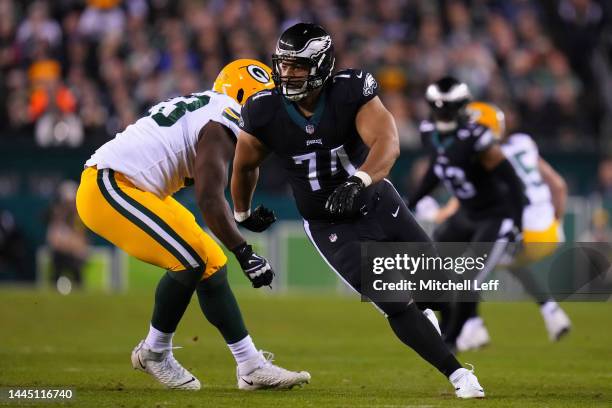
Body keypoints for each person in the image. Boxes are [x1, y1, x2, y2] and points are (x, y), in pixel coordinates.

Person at [231, 23, 484, 399]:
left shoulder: (350, 91)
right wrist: (241, 212)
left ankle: (433, 317)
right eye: (283, 65)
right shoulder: (264, 110)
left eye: (298, 66)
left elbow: (387, 141)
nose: (288, 74)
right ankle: (459, 375)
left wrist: (359, 181)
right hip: (330, 226)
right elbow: (244, 165)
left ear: (321, 65)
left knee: (438, 289)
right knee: (394, 301)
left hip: (377, 202)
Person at [76, 59, 310, 391]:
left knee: (211, 264)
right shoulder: (225, 117)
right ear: (246, 95)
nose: (273, 105)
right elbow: (209, 198)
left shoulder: (213, 109)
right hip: (109, 186)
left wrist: (241, 219)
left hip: (136, 189)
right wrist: (245, 252)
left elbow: (239, 171)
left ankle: (250, 366)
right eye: (266, 96)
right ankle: (154, 351)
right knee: (189, 260)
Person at [430, 102, 572, 350]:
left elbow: (468, 199)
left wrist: (441, 214)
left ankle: (471, 328)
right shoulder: (524, 143)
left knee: (465, 266)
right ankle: (551, 311)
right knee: (499, 263)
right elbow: (558, 185)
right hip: (549, 232)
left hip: (521, 233)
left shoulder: (484, 156)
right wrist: (556, 221)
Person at [407, 77, 527, 351]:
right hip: (466, 214)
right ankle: (450, 330)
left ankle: (451, 340)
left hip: (494, 217)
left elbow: (512, 182)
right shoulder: (429, 131)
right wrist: (411, 201)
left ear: (461, 107)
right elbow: (436, 171)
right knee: (430, 269)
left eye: (447, 107)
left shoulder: (477, 137)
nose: (442, 114)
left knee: (466, 278)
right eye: (438, 107)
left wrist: (517, 225)